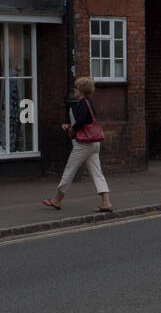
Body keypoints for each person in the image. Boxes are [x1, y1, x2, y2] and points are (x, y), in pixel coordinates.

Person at [43, 77, 112, 213]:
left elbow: (80, 122)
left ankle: (57, 200)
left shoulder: (82, 103)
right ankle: (106, 202)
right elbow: (86, 121)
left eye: (76, 88)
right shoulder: (90, 102)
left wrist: (71, 129)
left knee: (69, 170)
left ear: (81, 90)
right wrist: (71, 126)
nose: (74, 90)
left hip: (83, 144)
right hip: (94, 143)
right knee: (97, 172)